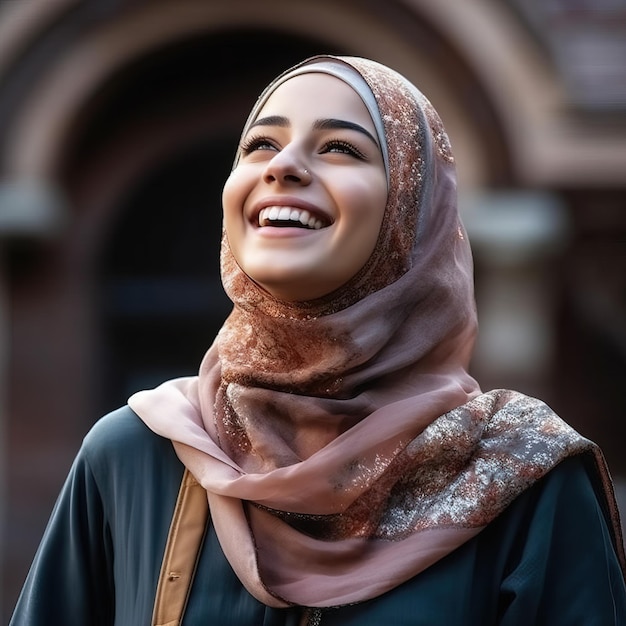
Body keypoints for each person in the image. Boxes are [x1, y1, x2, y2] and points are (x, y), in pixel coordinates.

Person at [10, 55, 626, 626]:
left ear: (413, 213)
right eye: (261, 144)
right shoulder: (134, 456)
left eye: (339, 147)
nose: (283, 166)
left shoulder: (522, 478)